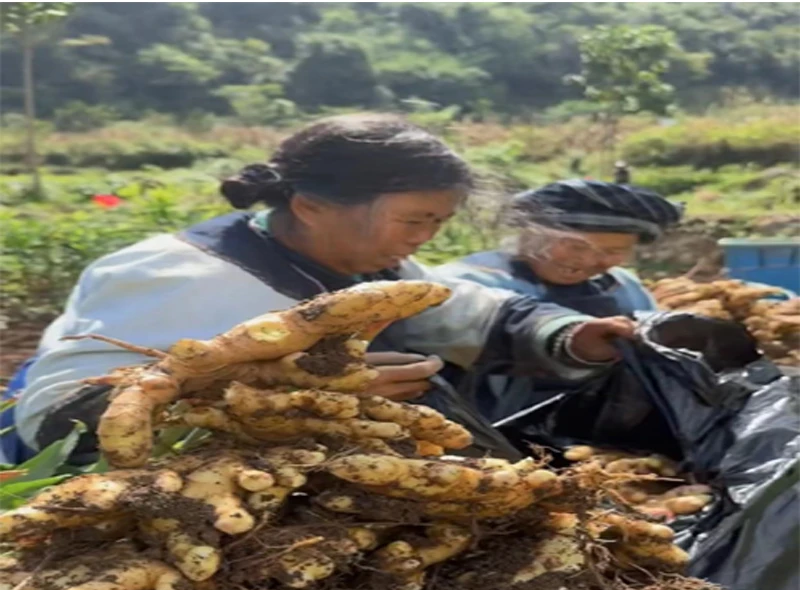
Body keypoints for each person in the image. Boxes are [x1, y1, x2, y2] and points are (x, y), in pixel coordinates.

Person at [6, 116, 634, 464]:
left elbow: (453, 306)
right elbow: (60, 422)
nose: (423, 240)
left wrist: (569, 333)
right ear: (309, 206)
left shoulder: (364, 262)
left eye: (437, 224)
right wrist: (294, 389)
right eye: (414, 220)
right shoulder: (180, 277)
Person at [436, 179, 682, 420]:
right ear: (529, 233)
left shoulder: (621, 286)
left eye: (612, 252)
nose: (588, 261)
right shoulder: (466, 284)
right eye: (575, 247)